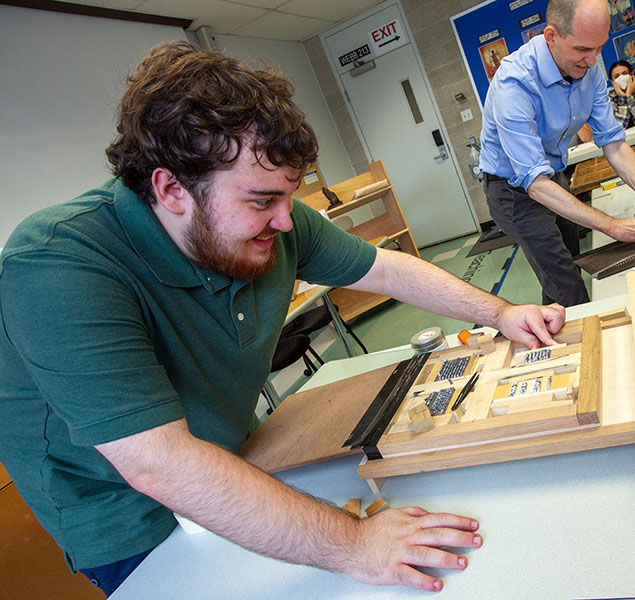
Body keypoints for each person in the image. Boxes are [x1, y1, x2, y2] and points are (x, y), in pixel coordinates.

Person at [0, 41, 567, 597]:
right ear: (171, 188)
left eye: (288, 195)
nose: (287, 220)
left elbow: (386, 271)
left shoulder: (274, 215)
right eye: (260, 201)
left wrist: (501, 311)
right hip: (125, 511)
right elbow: (159, 466)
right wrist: (354, 544)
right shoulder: (58, 264)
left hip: (224, 456)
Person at [479, 0, 635, 308]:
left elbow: (613, 142)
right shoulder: (514, 84)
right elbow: (534, 184)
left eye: (599, 48)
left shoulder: (587, 65)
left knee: (569, 263)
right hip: (512, 190)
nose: (593, 61)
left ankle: (554, 327)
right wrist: (612, 225)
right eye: (582, 50)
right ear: (551, 36)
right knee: (567, 281)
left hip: (551, 175)